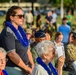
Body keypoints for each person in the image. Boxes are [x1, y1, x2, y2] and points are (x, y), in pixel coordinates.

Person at [0, 6, 34, 75]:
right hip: (13, 68)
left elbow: (27, 50)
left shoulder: (21, 31)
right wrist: (26, 68)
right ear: (11, 17)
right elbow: (11, 54)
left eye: (23, 16)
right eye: (20, 16)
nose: (23, 18)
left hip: (25, 67)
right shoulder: (8, 31)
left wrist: (32, 64)